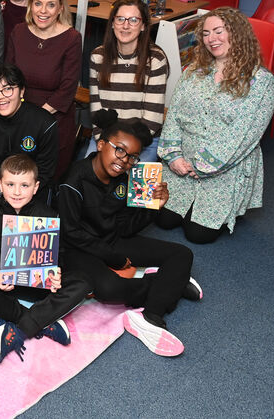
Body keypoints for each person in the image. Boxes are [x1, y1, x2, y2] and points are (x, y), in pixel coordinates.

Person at [58, 113, 202, 357]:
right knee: (109, 289)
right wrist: (112, 257)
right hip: (78, 248)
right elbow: (71, 233)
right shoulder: (73, 181)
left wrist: (153, 207)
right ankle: (168, 285)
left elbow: (125, 228)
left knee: (182, 254)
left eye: (132, 157)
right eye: (120, 150)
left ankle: (151, 316)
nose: (124, 161)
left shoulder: (123, 181)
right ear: (101, 145)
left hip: (112, 239)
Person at [156, 7, 274, 243]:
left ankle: (231, 205)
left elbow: (242, 136)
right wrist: (173, 156)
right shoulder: (193, 71)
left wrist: (203, 166)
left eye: (219, 31)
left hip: (224, 164)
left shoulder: (261, 83)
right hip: (182, 161)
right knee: (163, 219)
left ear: (237, 33)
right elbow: (174, 115)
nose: (212, 38)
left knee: (197, 234)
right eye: (206, 33)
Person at [0, 155, 90, 363]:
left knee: (82, 283)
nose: (17, 192)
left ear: (35, 187)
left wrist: (55, 271)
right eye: (10, 184)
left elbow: (59, 252)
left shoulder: (50, 216)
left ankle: (19, 328)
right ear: (0, 184)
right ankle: (38, 320)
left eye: (24, 185)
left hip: (37, 283)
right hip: (2, 283)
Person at [6, 0, 81, 179]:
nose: (43, 11)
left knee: (46, 183)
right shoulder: (19, 32)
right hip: (18, 115)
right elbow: (9, 77)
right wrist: (17, 115)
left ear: (60, 8)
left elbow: (67, 89)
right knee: (16, 178)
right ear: (30, 5)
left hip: (54, 122)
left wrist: (34, 119)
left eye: (51, 5)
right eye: (38, 3)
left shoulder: (72, 39)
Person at [88, 0, 168, 161]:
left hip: (144, 141)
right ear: (112, 23)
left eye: (133, 20)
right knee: (85, 173)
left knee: (127, 177)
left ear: (143, 25)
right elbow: (97, 111)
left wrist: (123, 152)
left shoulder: (155, 60)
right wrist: (106, 145)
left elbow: (152, 119)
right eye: (120, 19)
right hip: (107, 139)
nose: (125, 26)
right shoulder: (98, 56)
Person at [0, 64, 58, 206]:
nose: (1, 97)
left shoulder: (45, 123)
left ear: (22, 91)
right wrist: (0, 197)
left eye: (8, 89)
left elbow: (45, 170)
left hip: (33, 192)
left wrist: (20, 196)